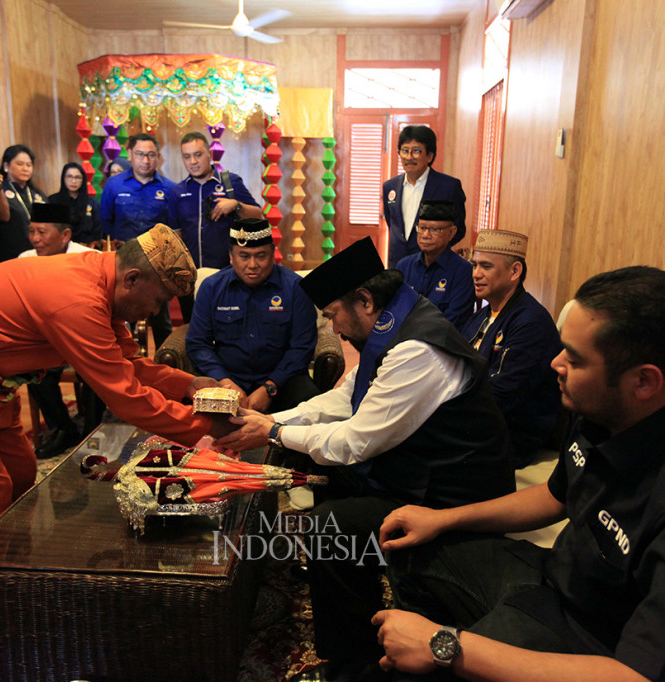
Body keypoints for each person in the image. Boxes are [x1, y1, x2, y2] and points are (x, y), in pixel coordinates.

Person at [373, 266, 665, 682]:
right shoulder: (607, 408)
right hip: (550, 580)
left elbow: (639, 676)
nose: (555, 363)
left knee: (444, 657)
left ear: (644, 381)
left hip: (591, 645)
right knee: (408, 546)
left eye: (574, 358)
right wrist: (442, 518)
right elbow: (556, 496)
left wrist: (448, 646)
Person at [217, 237, 514, 681]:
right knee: (316, 466)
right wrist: (267, 419)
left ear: (365, 300)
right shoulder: (395, 325)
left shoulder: (417, 349)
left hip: (451, 499)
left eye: (333, 315)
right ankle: (340, 583)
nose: (334, 330)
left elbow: (356, 442)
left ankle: (354, 664)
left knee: (327, 524)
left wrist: (275, 431)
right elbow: (343, 400)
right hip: (418, 471)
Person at [0, 225, 230, 558]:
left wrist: (188, 384)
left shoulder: (102, 276)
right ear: (132, 278)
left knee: (19, 472)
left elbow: (126, 361)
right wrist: (207, 426)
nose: (153, 312)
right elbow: (125, 395)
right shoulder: (78, 300)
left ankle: (10, 570)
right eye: (156, 302)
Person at [186, 218, 319, 413]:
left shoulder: (295, 288)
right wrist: (225, 383)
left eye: (261, 256)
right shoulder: (211, 288)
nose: (253, 264)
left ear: (273, 255)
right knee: (187, 410)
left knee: (311, 409)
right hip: (226, 379)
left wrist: (270, 387)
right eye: (244, 256)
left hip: (282, 380)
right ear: (231, 257)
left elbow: (302, 346)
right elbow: (198, 343)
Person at [458, 230, 562, 467]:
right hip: (472, 423)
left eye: (486, 266)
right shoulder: (481, 316)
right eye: (474, 265)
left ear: (515, 271)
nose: (476, 274)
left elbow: (500, 397)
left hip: (508, 438)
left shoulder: (531, 323)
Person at [17, 202, 102, 454]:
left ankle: (92, 431)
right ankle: (63, 428)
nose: (35, 239)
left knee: (97, 368)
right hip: (46, 341)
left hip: (85, 339)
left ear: (65, 235)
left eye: (42, 232)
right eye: (31, 231)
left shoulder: (89, 259)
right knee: (31, 369)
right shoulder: (25, 260)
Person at [100, 133, 175, 345]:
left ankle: (165, 365)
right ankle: (124, 364)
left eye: (151, 155)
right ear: (130, 154)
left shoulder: (169, 188)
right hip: (122, 265)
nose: (145, 160)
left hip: (157, 265)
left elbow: (171, 229)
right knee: (120, 320)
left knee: (161, 321)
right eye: (140, 154)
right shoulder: (113, 185)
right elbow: (106, 223)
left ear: (158, 156)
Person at [166, 131, 261, 292]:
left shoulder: (229, 181)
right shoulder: (177, 191)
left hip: (228, 273)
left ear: (209, 154)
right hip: (191, 276)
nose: (193, 162)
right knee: (192, 318)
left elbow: (258, 215)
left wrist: (236, 205)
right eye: (187, 157)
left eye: (198, 155)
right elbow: (176, 236)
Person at [382, 125, 466, 267]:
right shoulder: (390, 187)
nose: (409, 157)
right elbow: (393, 224)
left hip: (432, 265)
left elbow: (458, 228)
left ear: (430, 156)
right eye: (404, 151)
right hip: (397, 266)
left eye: (416, 151)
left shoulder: (449, 187)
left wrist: (435, 250)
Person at [395, 200, 473, 329]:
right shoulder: (404, 266)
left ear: (452, 232)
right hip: (404, 341)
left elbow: (454, 320)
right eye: (422, 228)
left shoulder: (463, 271)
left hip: (442, 344)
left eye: (435, 230)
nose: (425, 235)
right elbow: (395, 311)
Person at [0, 144, 46, 262]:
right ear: (6, 166)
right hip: (10, 255)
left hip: (37, 253)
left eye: (29, 165)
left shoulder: (37, 194)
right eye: (20, 164)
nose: (25, 169)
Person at [49, 162, 102, 246]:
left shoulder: (92, 203)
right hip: (60, 250)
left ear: (83, 180)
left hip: (86, 250)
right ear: (63, 178)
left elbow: (98, 231)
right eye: (69, 176)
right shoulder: (53, 201)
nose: (73, 181)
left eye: (77, 177)